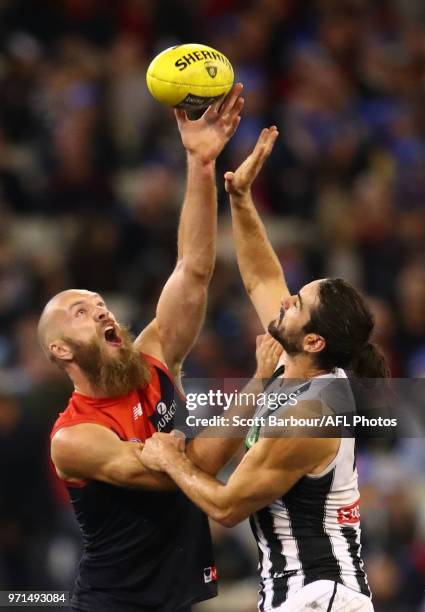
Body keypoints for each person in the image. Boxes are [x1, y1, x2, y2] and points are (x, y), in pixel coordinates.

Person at [139, 127, 390, 611]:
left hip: (319, 596)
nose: (286, 300)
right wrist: (239, 197)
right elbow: (260, 275)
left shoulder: (310, 413)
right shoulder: (296, 364)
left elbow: (227, 506)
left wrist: (170, 458)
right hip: (306, 596)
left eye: (297, 303)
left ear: (313, 339)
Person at [40, 86, 250, 612]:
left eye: (99, 302)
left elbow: (194, 270)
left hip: (181, 598)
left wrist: (201, 163)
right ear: (62, 351)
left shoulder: (151, 358)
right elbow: (188, 469)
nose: (102, 311)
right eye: (80, 313)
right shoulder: (74, 437)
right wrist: (263, 385)